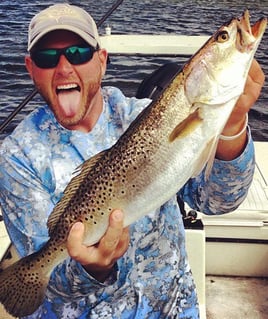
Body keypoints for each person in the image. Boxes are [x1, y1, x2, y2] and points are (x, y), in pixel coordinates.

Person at [0, 3, 265, 319]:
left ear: (102, 61)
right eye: (47, 58)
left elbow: (217, 201)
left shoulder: (143, 115)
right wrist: (93, 268)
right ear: (30, 68)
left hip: (174, 309)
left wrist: (233, 124)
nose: (64, 68)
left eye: (78, 52)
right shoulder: (17, 157)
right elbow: (53, 288)